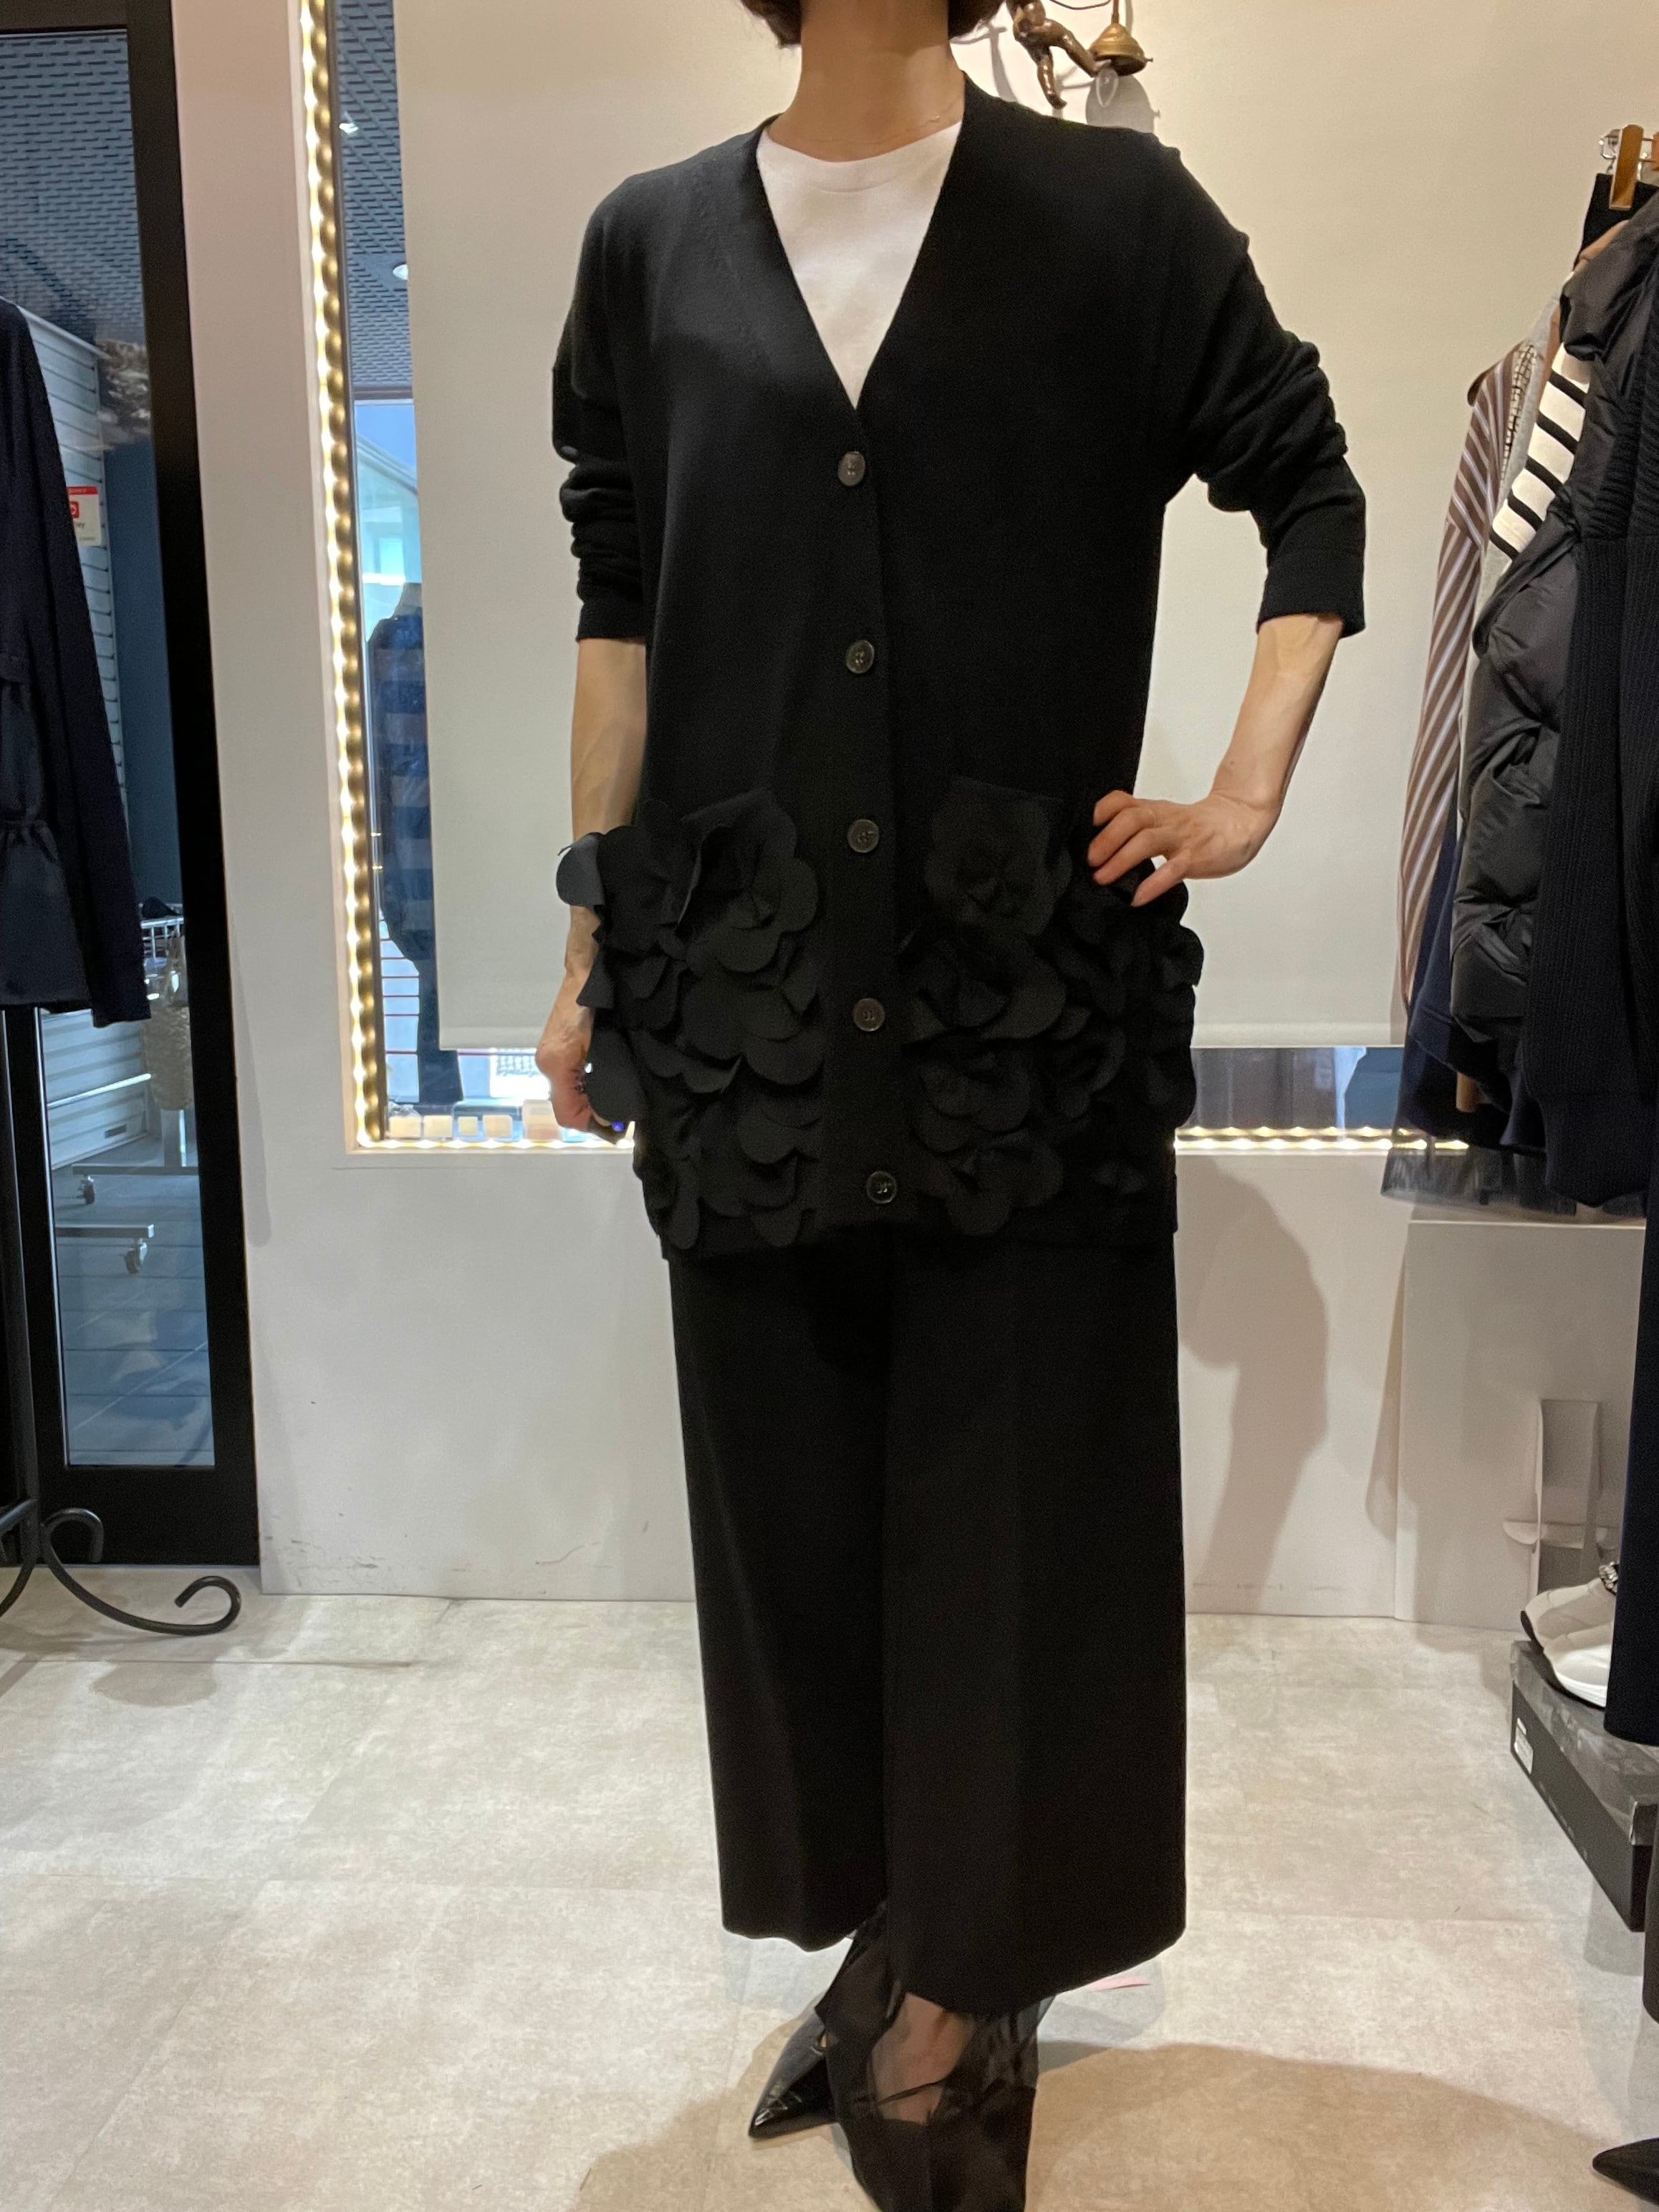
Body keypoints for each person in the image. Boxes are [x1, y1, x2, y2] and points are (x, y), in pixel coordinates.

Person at [536, 4, 1363, 2205]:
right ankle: (888, 1933)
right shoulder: (645, 245)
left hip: (1020, 1002)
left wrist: (1242, 793)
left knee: (1015, 1505)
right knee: (796, 1499)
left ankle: (958, 1996)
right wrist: (587, 941)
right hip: (747, 988)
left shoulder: (1113, 214)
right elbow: (619, 606)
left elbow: (1308, 487)